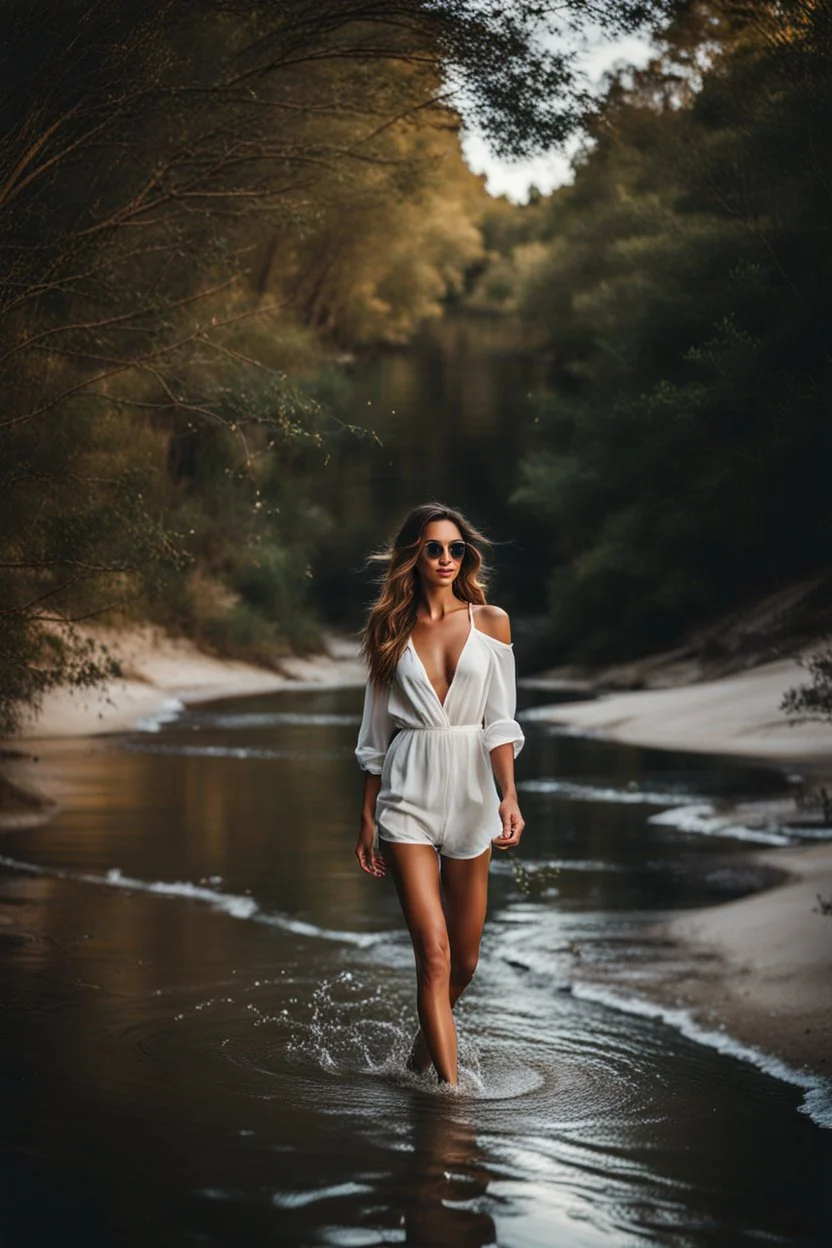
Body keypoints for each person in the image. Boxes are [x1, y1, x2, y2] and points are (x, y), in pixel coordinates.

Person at [355, 502, 525, 1085]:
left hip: (475, 798)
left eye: (455, 548)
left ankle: (414, 1064)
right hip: (407, 800)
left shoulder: (492, 622)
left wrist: (510, 796)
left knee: (466, 963)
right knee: (433, 956)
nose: (447, 558)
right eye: (433, 548)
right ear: (413, 555)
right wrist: (367, 814)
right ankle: (450, 1102)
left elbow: (500, 722)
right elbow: (376, 734)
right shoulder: (389, 629)